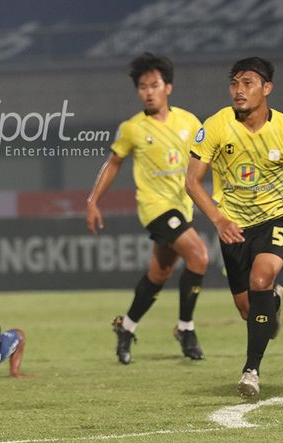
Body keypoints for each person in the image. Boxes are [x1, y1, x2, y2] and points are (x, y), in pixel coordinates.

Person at [186, 57, 283, 396]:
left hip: (277, 218)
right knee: (249, 310)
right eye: (234, 83)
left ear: (267, 88)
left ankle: (251, 371)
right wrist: (219, 219)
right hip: (233, 224)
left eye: (247, 83)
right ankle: (272, 304)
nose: (239, 90)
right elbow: (192, 181)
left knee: (261, 278)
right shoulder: (217, 125)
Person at [86, 52, 209, 364]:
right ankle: (186, 328)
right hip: (155, 207)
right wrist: (93, 200)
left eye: (154, 85)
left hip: (183, 207)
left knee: (160, 273)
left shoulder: (189, 122)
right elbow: (114, 163)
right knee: (199, 256)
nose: (149, 92)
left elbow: (206, 158)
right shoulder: (132, 128)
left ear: (168, 87)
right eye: (143, 87)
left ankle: (126, 327)